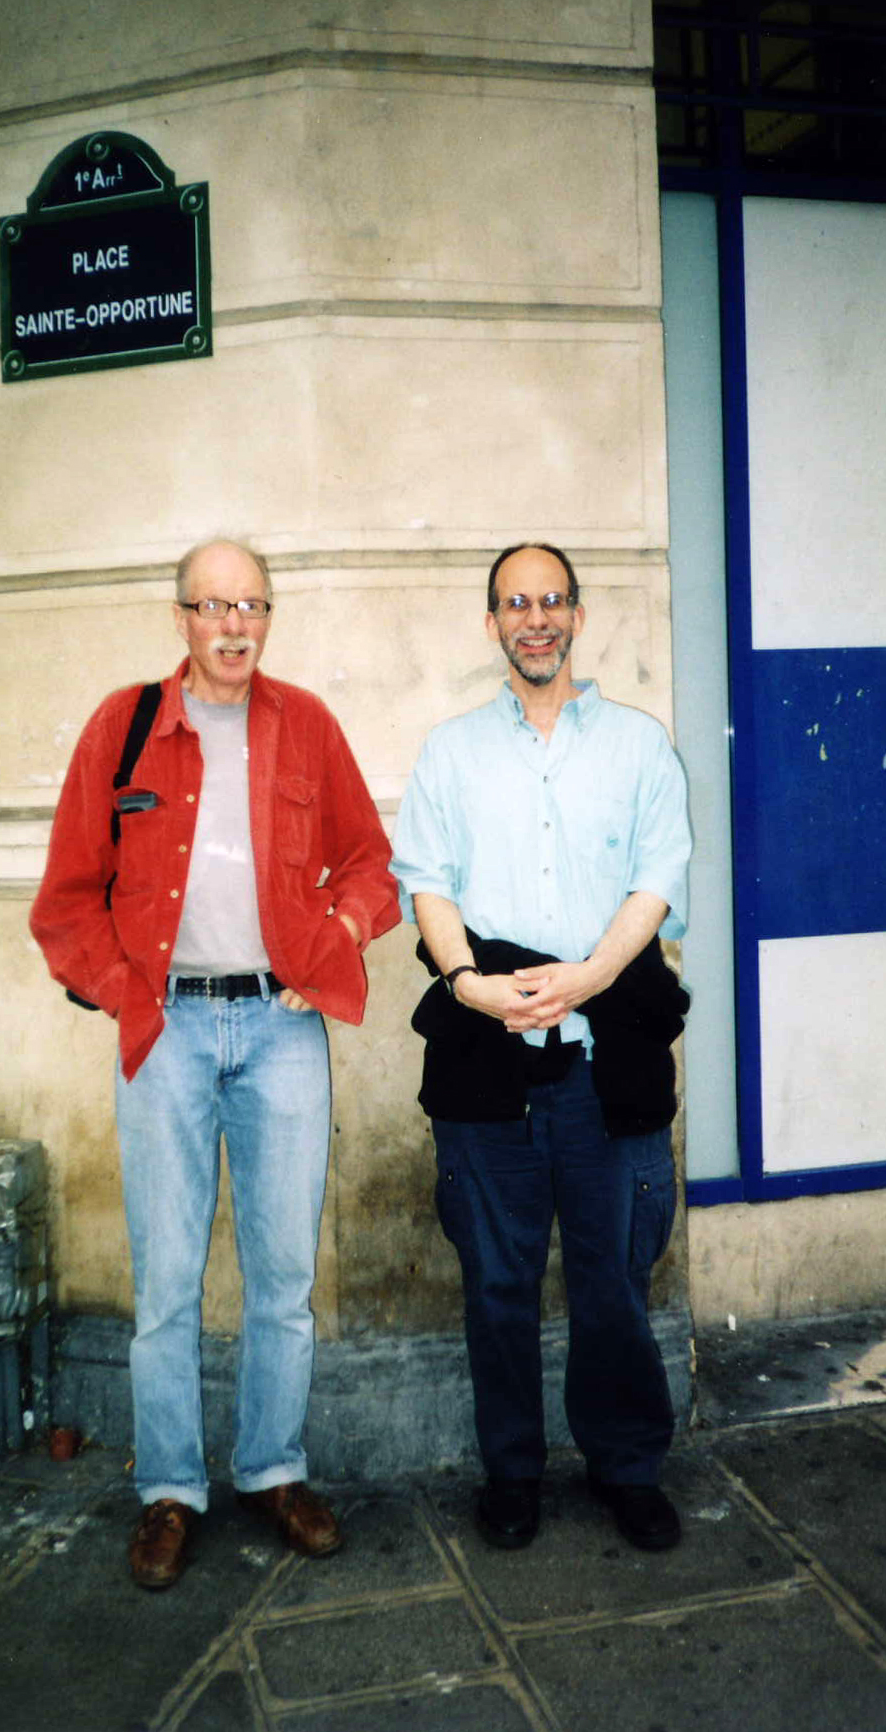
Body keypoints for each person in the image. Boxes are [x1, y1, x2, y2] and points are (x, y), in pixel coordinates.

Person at [30, 539, 400, 1589]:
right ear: (180, 616)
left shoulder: (307, 725)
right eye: (214, 605)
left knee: (285, 1277)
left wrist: (330, 931)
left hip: (281, 1029)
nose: (235, 626)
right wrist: (122, 989)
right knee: (167, 1282)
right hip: (169, 1031)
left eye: (253, 606)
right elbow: (65, 898)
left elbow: (373, 863)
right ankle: (169, 1489)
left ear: (269, 618)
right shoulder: (125, 726)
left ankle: (274, 1469)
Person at [391, 543, 692, 1553]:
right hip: (488, 1063)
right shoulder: (449, 751)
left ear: (576, 613)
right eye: (514, 603)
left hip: (606, 1053)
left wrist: (591, 976)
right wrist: (469, 984)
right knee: (498, 1282)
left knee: (612, 1279)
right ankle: (512, 1471)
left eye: (551, 600)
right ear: (491, 623)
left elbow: (659, 876)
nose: (535, 619)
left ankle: (627, 1466)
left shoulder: (641, 746)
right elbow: (424, 879)